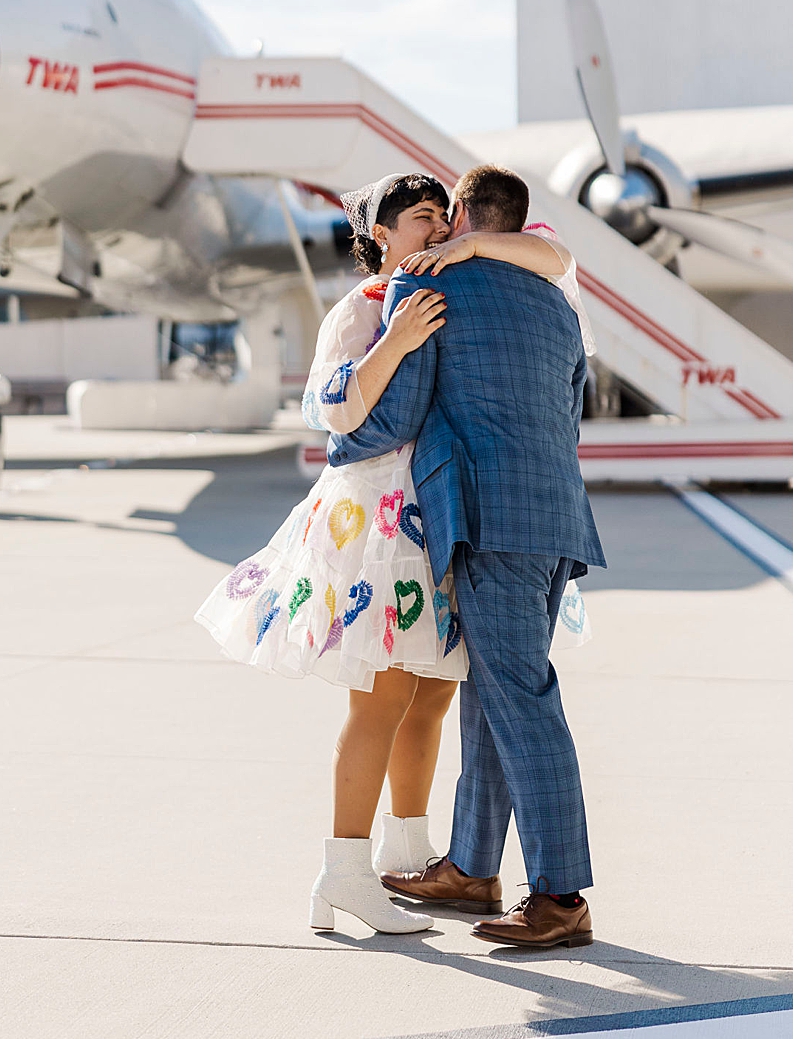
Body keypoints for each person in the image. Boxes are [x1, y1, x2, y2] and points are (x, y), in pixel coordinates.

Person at [194, 171, 579, 936]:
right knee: (394, 696)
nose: (437, 230)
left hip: (442, 518)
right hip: (386, 522)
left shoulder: (442, 289)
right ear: (377, 237)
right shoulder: (385, 304)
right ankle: (354, 870)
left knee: (443, 692)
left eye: (444, 216)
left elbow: (410, 408)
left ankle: (429, 853)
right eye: (422, 218)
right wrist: (397, 348)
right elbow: (337, 414)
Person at [330, 163, 607, 951]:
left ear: (458, 217)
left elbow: (394, 414)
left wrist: (339, 437)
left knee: (522, 701)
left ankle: (560, 896)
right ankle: (473, 867)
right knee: (492, 697)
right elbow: (568, 409)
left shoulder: (434, 295)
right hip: (557, 518)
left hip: (491, 521)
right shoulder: (557, 305)